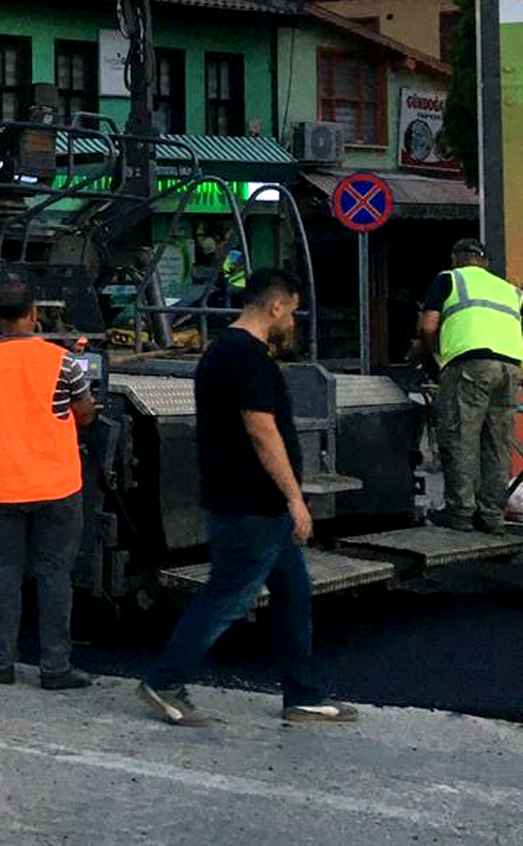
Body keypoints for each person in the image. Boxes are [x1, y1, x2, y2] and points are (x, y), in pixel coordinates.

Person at [139, 268, 358, 726]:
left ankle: (302, 693)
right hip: (248, 501)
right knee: (229, 595)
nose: (294, 321)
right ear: (276, 306)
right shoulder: (246, 357)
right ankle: (164, 680)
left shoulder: (230, 351)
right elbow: (262, 431)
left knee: (293, 592)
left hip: (257, 503)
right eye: (293, 311)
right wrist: (296, 498)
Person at [0, 277, 98, 690]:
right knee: (54, 574)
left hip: (2, 484)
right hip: (56, 486)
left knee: (4, 570)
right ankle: (54, 668)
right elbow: (85, 412)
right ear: (34, 314)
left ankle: (1, 662)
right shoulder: (62, 362)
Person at [417, 237, 523, 534]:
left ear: (455, 259)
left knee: (461, 435)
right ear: (485, 263)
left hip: (470, 366)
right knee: (497, 443)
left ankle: (461, 512)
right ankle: (492, 516)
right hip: (509, 369)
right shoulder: (509, 290)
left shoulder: (448, 279)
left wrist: (431, 352)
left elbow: (428, 326)